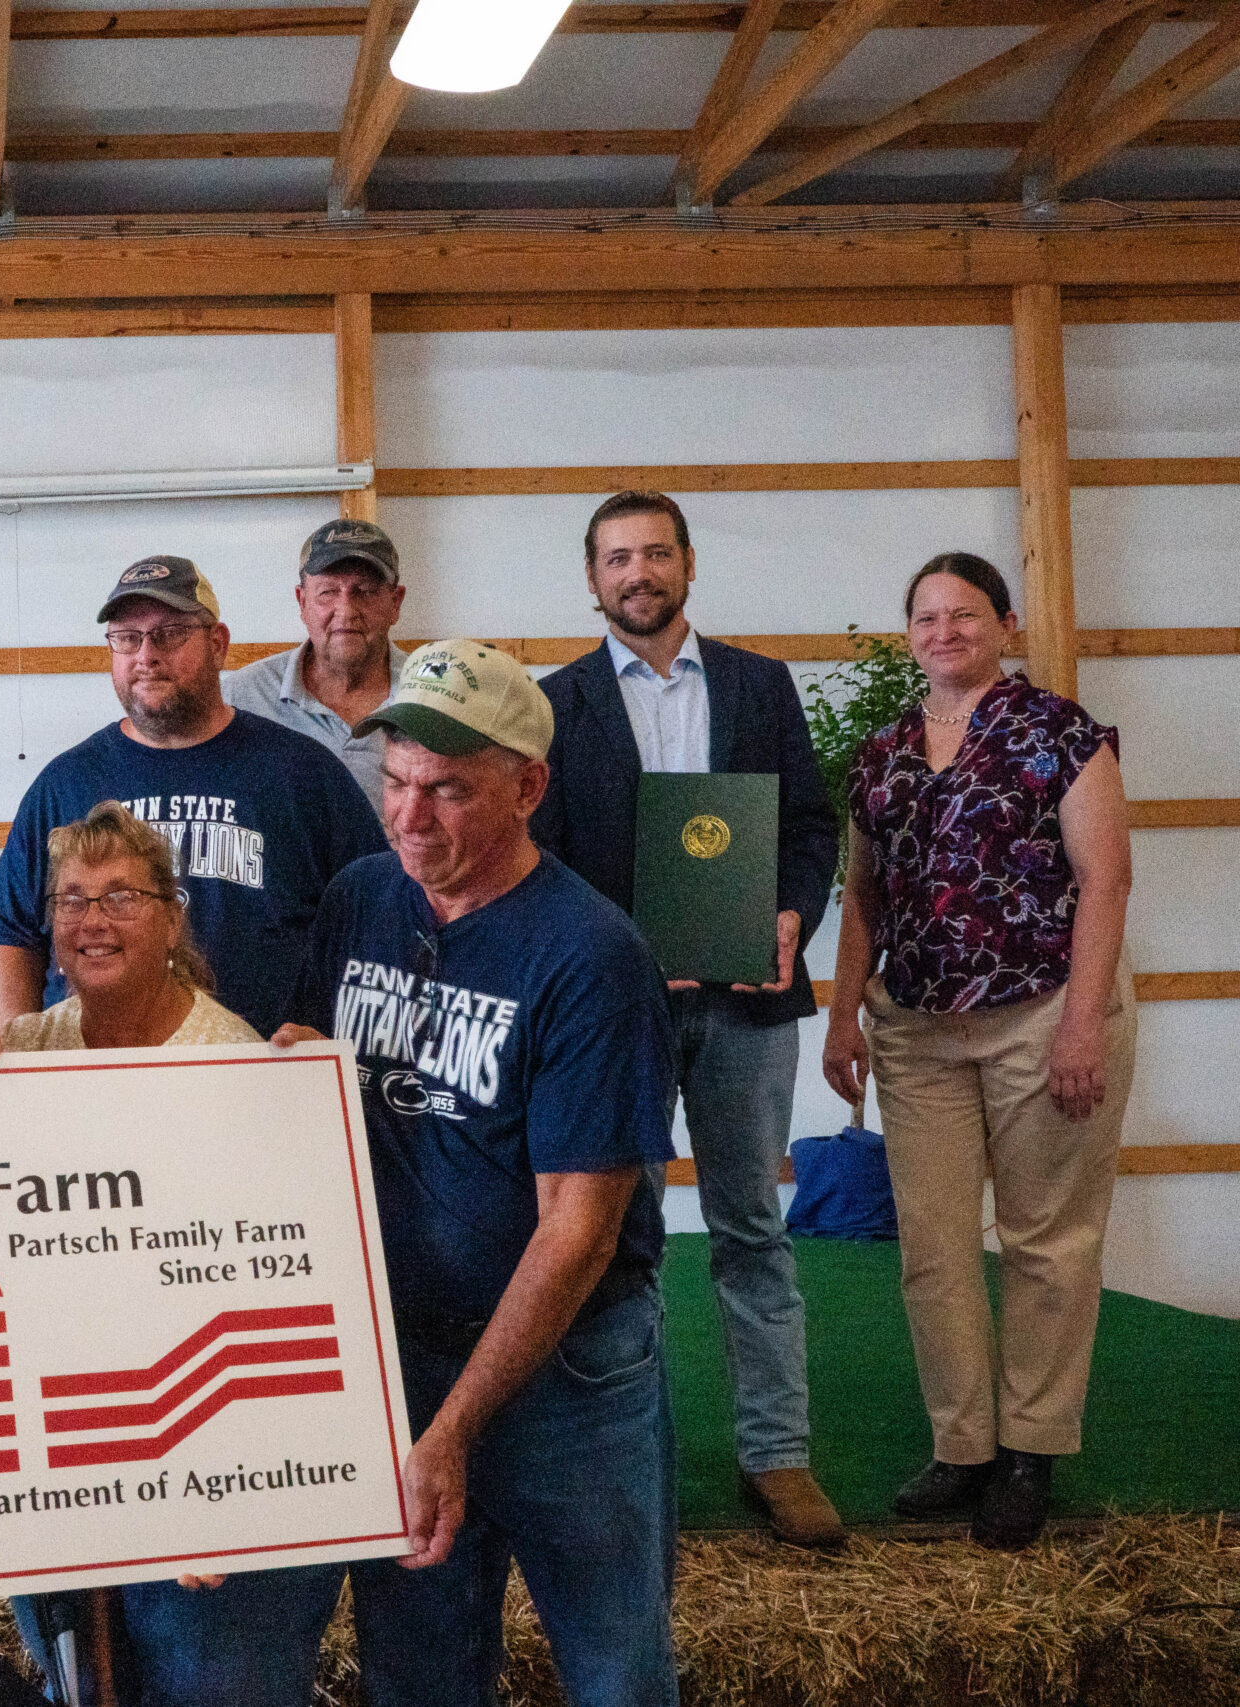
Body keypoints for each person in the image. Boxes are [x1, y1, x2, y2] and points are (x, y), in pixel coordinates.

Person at [218, 639, 682, 1707]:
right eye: (393, 785)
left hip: (567, 1376)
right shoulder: (361, 900)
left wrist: (453, 1429)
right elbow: (312, 1044)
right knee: (418, 1671)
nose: (410, 817)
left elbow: (578, 1230)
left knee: (615, 1667)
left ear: (528, 789)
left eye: (447, 792)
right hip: (404, 1361)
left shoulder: (590, 955)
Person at [528, 489, 845, 1549]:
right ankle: (626, 1450)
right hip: (616, 1014)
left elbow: (807, 820)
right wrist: (613, 959)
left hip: (746, 1003)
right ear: (591, 578)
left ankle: (780, 1454)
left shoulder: (759, 685)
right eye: (617, 558)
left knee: (753, 1229)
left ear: (689, 564)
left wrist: (793, 910)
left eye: (655, 553)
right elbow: (546, 858)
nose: (638, 573)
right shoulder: (554, 703)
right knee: (618, 1235)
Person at [823, 553, 1136, 1551]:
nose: (943, 631)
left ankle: (1030, 1449)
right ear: (908, 632)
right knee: (934, 1249)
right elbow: (863, 895)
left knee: (1047, 1241)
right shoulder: (879, 755)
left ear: (1004, 623)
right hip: (913, 1029)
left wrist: (1084, 1021)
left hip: (1044, 1013)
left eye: (963, 614)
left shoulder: (1061, 735)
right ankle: (961, 1445)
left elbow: (1106, 882)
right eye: (925, 616)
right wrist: (840, 1016)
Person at [0, 800, 259, 1704]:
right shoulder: (23, 1049)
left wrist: (214, 1481)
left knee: (198, 1674)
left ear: (171, 914)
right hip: (57, 1422)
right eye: (71, 899)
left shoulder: (231, 1060)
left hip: (189, 1416)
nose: (92, 919)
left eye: (120, 894)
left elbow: (250, 1284)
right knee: (77, 1673)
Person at [0, 555, 386, 1037]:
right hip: (93, 1080)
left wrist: (336, 1048)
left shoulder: (303, 773)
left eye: (170, 633)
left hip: (262, 1075)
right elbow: (12, 937)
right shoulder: (65, 782)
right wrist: (22, 1063)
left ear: (218, 644)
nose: (146, 654)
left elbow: (378, 922)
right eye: (127, 637)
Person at [224, 517, 407, 817]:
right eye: (328, 592)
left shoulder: (436, 694)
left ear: (395, 603)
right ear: (302, 601)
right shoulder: (239, 699)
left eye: (365, 591)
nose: (346, 611)